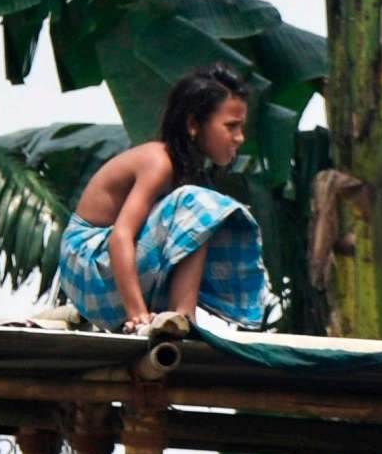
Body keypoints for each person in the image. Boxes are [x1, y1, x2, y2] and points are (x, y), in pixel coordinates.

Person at [59, 64, 270, 332]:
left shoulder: (186, 172)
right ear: (194, 124)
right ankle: (182, 313)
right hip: (86, 266)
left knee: (214, 218)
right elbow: (120, 236)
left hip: (104, 277)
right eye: (231, 126)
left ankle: (179, 318)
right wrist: (138, 316)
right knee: (205, 208)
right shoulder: (160, 162)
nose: (239, 138)